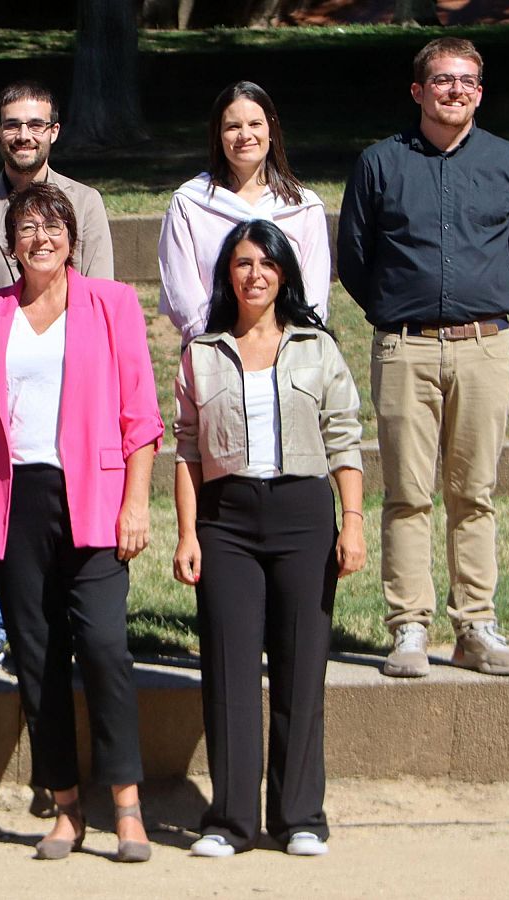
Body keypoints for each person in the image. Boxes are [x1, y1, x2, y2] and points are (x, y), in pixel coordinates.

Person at [0, 182, 161, 863]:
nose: (41, 237)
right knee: (37, 661)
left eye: (53, 224)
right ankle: (66, 807)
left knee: (103, 650)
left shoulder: (112, 304)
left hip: (95, 501)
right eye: (27, 226)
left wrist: (135, 503)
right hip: (13, 504)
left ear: (72, 234)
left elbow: (142, 418)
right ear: (11, 242)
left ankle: (126, 804)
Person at [338, 37, 509, 679]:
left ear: (480, 90)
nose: (456, 90)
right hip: (404, 349)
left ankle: (476, 625)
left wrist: (481, 303)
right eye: (443, 80)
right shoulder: (380, 163)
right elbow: (355, 259)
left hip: (485, 348)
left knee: (474, 492)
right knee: (406, 493)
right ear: (418, 90)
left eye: (468, 81)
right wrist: (399, 308)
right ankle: (407, 628)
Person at [172, 219, 366, 859]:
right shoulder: (203, 352)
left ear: (284, 272)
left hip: (303, 513)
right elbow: (187, 450)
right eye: (242, 263)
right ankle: (229, 820)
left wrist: (354, 522)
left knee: (300, 666)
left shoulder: (317, 348)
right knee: (227, 668)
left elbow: (345, 438)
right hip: (226, 519)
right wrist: (187, 533)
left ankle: (300, 815)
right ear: (227, 274)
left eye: (267, 263)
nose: (254, 275)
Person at [0, 80, 116, 684]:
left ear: (53, 132)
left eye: (36, 124)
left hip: (70, 387)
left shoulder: (84, 203)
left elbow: (99, 299)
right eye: (12, 124)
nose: (24, 134)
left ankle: (54, 633)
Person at [158, 81, 330, 344]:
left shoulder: (304, 207)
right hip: (213, 350)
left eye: (255, 124)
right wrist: (216, 344)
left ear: (271, 130)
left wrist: (288, 345)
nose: (245, 135)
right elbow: (182, 292)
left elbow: (314, 295)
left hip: (289, 353)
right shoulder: (189, 203)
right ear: (218, 135)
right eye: (233, 127)